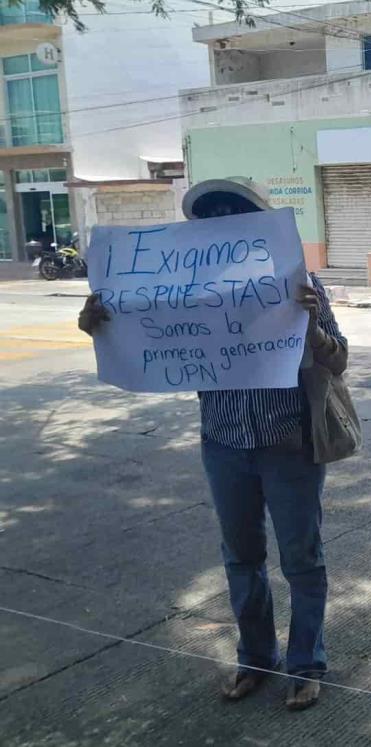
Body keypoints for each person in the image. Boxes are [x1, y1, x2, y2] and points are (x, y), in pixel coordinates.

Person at [77, 178, 347, 712]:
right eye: (213, 217)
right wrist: (100, 326)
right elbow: (140, 334)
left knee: (302, 558)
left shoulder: (299, 283)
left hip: (287, 442)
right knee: (241, 558)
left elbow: (337, 360)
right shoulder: (181, 292)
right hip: (223, 442)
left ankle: (306, 664)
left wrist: (311, 324)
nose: (223, 221)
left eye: (236, 214)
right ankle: (256, 659)